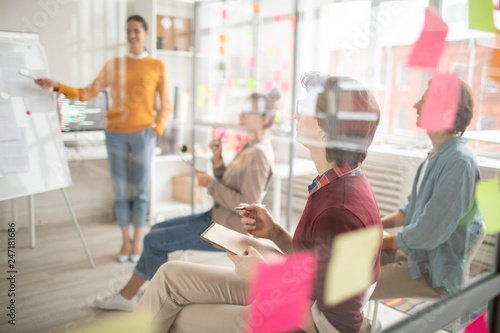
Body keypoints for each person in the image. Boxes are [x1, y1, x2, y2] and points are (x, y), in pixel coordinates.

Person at [136, 73, 383, 333]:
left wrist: (265, 277)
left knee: (177, 315)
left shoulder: (339, 212)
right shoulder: (335, 183)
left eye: (303, 109)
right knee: (169, 275)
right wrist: (275, 232)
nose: (296, 116)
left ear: (325, 126)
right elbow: (315, 260)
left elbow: (334, 327)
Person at [93, 90, 280, 311]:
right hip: (215, 216)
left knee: (153, 241)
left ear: (265, 118)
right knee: (155, 230)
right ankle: (132, 296)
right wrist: (218, 160)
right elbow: (232, 186)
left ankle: (153, 302)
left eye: (249, 111)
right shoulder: (251, 146)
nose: (242, 115)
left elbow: (246, 204)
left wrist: (210, 184)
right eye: (242, 109)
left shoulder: (258, 152)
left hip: (226, 229)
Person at [35, 15, 173, 263]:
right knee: (120, 192)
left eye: (136, 31)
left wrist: (157, 129)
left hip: (144, 134)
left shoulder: (156, 65)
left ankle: (138, 238)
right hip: (115, 135)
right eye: (128, 31)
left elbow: (166, 105)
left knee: (141, 192)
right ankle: (124, 239)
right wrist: (58, 85)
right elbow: (87, 93)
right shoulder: (114, 65)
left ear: (146, 33)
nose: (132, 35)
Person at [369, 79, 483, 301]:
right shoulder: (437, 155)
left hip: (432, 272)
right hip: (416, 256)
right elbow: (409, 211)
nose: (416, 106)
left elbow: (428, 234)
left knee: (347, 290)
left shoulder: (459, 162)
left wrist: (378, 242)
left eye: (425, 101)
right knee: (346, 265)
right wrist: (374, 227)